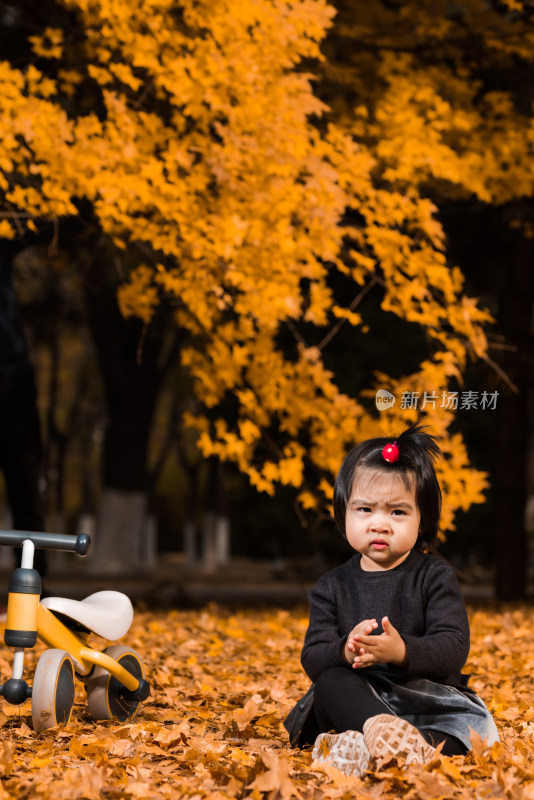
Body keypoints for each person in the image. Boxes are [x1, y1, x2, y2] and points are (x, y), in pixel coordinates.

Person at [284, 425, 498, 776]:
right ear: (344, 513)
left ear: (422, 520)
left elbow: (453, 646)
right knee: (330, 684)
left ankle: (388, 749)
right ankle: (381, 737)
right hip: (359, 700)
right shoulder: (332, 586)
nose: (379, 524)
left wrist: (401, 652)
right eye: (365, 510)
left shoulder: (434, 577)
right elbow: (313, 656)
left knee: (470, 735)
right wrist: (344, 651)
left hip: (428, 699)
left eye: (397, 512)